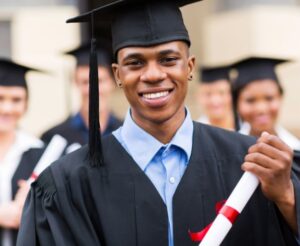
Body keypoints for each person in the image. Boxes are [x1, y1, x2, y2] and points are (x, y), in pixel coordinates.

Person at [17, 1, 299, 245]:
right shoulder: (68, 183)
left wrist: (287, 199)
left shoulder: (252, 164)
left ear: (189, 67)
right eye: (135, 63)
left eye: (168, 59)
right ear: (117, 74)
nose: (153, 74)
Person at [40, 40, 122, 153]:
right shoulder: (55, 136)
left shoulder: (126, 133)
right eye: (85, 82)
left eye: (100, 81)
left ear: (113, 82)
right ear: (75, 83)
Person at [0, 58, 44, 246]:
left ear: (26, 105)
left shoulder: (39, 153)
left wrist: (34, 206)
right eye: (0, 98)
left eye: (16, 100)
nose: (7, 108)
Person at [231, 57, 300, 151]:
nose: (261, 109)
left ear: (280, 98)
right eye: (250, 100)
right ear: (237, 104)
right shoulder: (229, 150)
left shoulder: (295, 148)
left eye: (269, 98)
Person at [196, 66, 235, 130]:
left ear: (232, 94)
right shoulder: (195, 132)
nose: (215, 101)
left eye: (221, 93)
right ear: (199, 97)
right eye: (208, 94)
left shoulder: (247, 128)